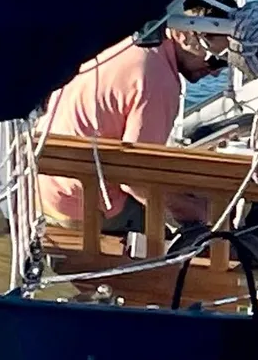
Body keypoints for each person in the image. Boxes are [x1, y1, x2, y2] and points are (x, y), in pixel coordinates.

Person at [39, 29, 224, 236]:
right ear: (184, 34)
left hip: (45, 186)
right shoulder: (157, 78)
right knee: (210, 226)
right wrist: (197, 212)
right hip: (83, 207)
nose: (216, 72)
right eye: (214, 61)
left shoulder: (124, 43)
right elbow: (134, 179)